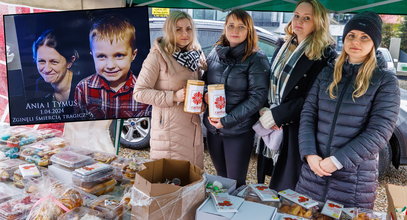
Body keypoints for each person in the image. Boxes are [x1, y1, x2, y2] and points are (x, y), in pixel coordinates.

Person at [295, 11, 400, 209]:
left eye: (364, 37)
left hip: (353, 181)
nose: (356, 42)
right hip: (313, 173)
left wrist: (336, 161)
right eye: (351, 35)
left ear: (374, 42)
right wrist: (309, 154)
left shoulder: (384, 81)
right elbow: (308, 115)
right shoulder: (327, 72)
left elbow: (379, 132)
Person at [257, 0, 336, 191]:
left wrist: (278, 115)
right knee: (268, 180)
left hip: (296, 128)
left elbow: (313, 98)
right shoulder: (284, 45)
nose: (299, 21)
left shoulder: (325, 55)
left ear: (318, 23)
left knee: (287, 185)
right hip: (271, 120)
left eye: (307, 18)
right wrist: (265, 108)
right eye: (297, 16)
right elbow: (272, 82)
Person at [203, 9, 270, 187]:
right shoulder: (214, 53)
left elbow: (257, 97)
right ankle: (221, 212)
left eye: (241, 27)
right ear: (225, 28)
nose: (235, 30)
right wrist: (204, 95)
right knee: (221, 179)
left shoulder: (256, 58)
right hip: (213, 129)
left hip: (238, 132)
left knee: (235, 182)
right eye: (231, 25)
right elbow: (203, 82)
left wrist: (227, 120)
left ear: (249, 31)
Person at [133, 11, 206, 168]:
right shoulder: (157, 56)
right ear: (169, 30)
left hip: (193, 129)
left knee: (192, 177)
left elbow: (198, 89)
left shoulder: (195, 55)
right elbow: (139, 93)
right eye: (178, 29)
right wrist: (174, 96)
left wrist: (202, 103)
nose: (184, 34)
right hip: (169, 132)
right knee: (171, 181)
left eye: (188, 29)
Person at [74, 15, 149, 119]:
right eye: (101, 56)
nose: (110, 66)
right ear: (92, 56)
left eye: (119, 55)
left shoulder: (144, 91)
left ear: (133, 55)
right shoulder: (83, 88)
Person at [32, 29, 81, 104]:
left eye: (54, 62)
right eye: (41, 61)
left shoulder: (83, 86)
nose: (47, 69)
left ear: (70, 62)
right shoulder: (40, 84)